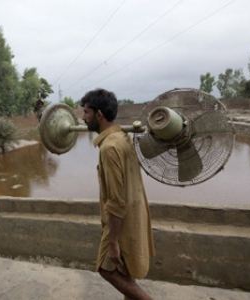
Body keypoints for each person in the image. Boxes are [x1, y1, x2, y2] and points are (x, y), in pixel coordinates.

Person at [80, 88, 155, 300]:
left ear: (99, 115)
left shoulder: (109, 148)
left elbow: (116, 201)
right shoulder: (122, 136)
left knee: (108, 269)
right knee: (125, 270)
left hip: (120, 222)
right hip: (134, 215)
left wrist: (112, 242)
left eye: (86, 112)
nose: (83, 118)